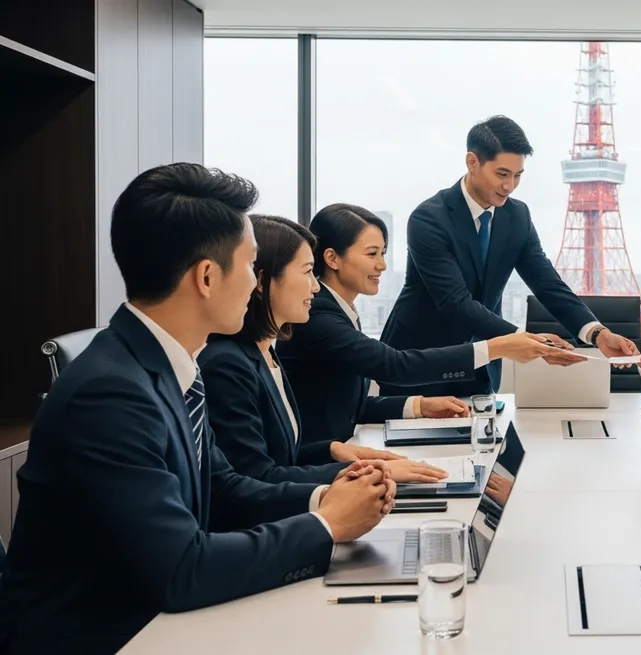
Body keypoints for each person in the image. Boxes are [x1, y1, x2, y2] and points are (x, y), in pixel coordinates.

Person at [0, 164, 395, 654]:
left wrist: (327, 498)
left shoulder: (167, 364)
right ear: (207, 277)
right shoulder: (108, 394)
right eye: (250, 266)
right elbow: (180, 569)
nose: (255, 284)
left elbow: (222, 487)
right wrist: (326, 526)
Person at [378, 115, 640, 398]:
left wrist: (598, 333)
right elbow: (454, 302)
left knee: (483, 427)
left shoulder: (517, 216)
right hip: (419, 362)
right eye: (502, 174)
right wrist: (522, 340)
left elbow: (547, 284)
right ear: (472, 162)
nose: (510, 186)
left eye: (518, 175)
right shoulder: (429, 219)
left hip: (481, 366)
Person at [276, 202, 558, 444]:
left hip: (342, 453)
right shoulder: (318, 315)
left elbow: (351, 407)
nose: (382, 265)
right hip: (314, 465)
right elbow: (395, 365)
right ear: (332, 258)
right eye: (372, 254)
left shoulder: (339, 309)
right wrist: (497, 347)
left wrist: (419, 406)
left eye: (383, 253)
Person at [199, 215, 449, 486]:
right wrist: (364, 472)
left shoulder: (264, 353)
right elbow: (256, 478)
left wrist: (330, 450)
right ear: (263, 280)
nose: (316, 286)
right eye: (307, 271)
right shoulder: (227, 363)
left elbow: (280, 457)